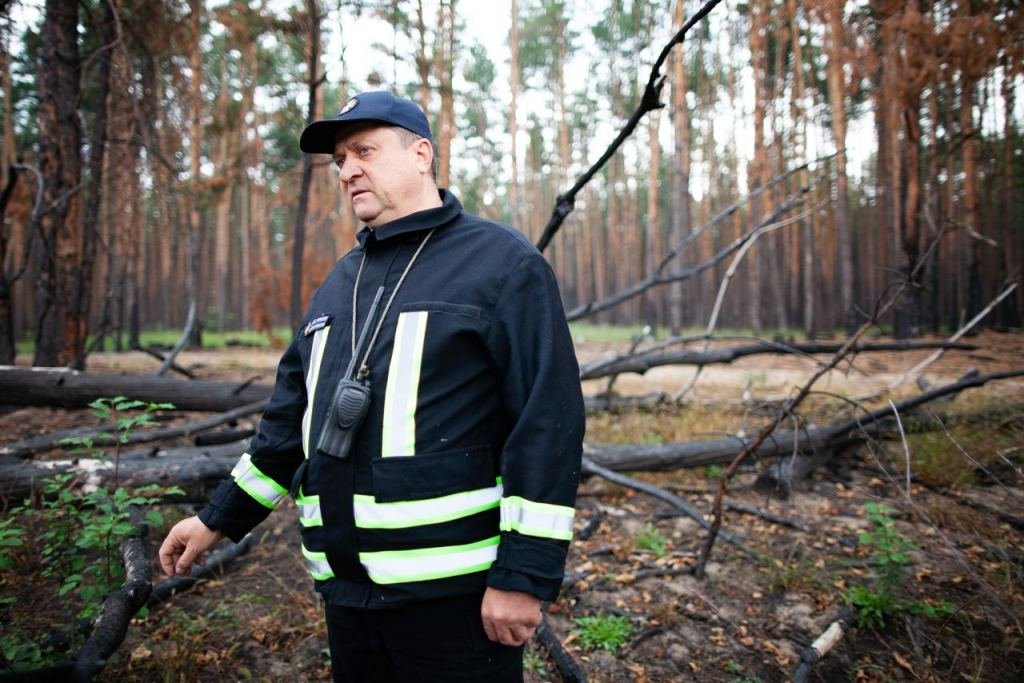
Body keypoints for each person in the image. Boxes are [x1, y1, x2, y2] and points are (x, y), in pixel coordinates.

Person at [158, 90, 586, 682]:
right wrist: (217, 519)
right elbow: (289, 425)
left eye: (365, 150)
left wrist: (523, 578)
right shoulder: (341, 282)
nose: (348, 169)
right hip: (346, 598)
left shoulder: (502, 265)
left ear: (421, 155)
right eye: (340, 160)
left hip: (456, 604)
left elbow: (549, 426)